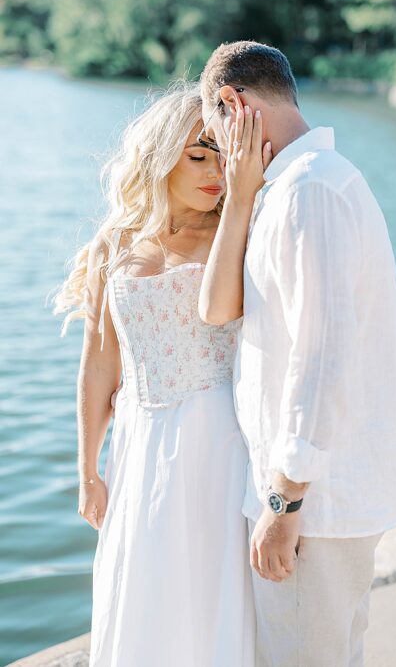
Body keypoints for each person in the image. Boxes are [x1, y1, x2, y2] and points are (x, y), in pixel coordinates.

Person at [196, 40, 396, 666]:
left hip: (313, 501)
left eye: (214, 126)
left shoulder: (308, 193)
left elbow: (322, 358)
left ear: (233, 103)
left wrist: (283, 500)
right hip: (324, 493)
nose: (218, 144)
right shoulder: (306, 185)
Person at [56, 83, 255, 666]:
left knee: (214, 590)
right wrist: (87, 468)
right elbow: (97, 365)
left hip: (223, 436)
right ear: (161, 154)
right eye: (198, 154)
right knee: (144, 586)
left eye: (223, 153)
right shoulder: (113, 244)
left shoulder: (239, 231)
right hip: (139, 443)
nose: (215, 170)